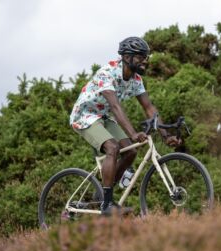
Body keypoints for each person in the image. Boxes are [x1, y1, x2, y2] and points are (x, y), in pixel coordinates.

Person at [70, 36, 180, 215]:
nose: (145, 61)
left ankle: (102, 195)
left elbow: (149, 107)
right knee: (112, 148)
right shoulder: (107, 73)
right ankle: (107, 206)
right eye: (140, 57)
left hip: (103, 116)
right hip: (84, 116)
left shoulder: (136, 80)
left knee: (131, 150)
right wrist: (133, 132)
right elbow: (115, 107)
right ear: (127, 57)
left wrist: (166, 135)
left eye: (146, 57)